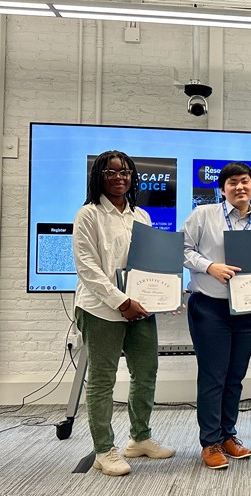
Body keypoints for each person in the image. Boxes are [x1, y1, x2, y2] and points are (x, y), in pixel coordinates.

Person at [73, 151, 175, 477]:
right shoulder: (88, 215)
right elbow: (88, 268)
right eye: (112, 172)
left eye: (126, 172)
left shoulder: (141, 216)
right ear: (99, 176)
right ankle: (104, 450)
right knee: (102, 380)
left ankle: (140, 438)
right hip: (101, 309)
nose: (120, 177)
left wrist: (166, 294)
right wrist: (120, 301)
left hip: (141, 308)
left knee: (146, 372)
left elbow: (151, 265)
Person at [182, 162, 251, 469]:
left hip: (247, 312)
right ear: (222, 189)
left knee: (235, 377)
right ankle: (210, 442)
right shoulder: (203, 215)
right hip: (210, 306)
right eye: (232, 182)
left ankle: (227, 435)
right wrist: (210, 266)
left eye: (245, 181)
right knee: (213, 377)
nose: (239, 187)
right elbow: (181, 250)